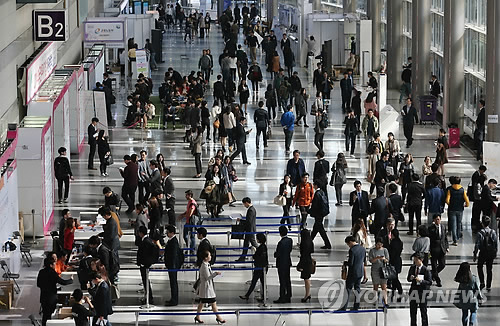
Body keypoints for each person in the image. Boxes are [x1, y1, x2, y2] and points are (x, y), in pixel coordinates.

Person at [37, 257, 74, 326]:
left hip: (43, 297)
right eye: (54, 264)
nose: (55, 265)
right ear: (50, 265)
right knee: (51, 315)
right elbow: (62, 282)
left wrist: (45, 287)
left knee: (45, 315)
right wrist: (71, 280)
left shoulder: (41, 272)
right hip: (51, 297)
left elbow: (38, 284)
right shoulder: (52, 272)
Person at [195, 251, 226, 324]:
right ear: (206, 257)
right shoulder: (204, 266)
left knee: (202, 303)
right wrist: (215, 274)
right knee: (213, 303)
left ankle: (197, 316)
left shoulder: (206, 264)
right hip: (206, 288)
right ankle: (219, 318)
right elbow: (208, 277)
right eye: (209, 255)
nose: (211, 256)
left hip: (206, 288)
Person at [338, 236, 366, 311]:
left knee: (348, 289)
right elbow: (364, 261)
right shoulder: (363, 249)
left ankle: (344, 307)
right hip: (360, 272)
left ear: (350, 242)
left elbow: (351, 263)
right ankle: (356, 306)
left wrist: (345, 263)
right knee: (357, 289)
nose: (348, 246)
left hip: (352, 272)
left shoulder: (352, 250)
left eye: (348, 244)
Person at [239, 232, 268, 301]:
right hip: (264, 267)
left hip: (259, 267)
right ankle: (264, 296)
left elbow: (256, 256)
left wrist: (255, 251)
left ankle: (247, 295)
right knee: (262, 282)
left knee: (254, 281)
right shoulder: (264, 247)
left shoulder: (260, 248)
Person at [454, 262, 483, 326]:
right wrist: (480, 298)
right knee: (473, 311)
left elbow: (459, 290)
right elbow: (477, 289)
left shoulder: (460, 278)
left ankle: (464, 324)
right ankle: (471, 323)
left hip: (463, 298)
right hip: (472, 297)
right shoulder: (473, 278)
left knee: (464, 313)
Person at [473, 217, 498, 291]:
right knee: (489, 269)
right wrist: (495, 252)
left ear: (482, 223)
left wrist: (475, 254)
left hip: (483, 252)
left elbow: (477, 244)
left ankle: (482, 282)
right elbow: (496, 243)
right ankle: (489, 285)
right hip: (490, 252)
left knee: (480, 266)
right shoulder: (493, 232)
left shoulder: (480, 233)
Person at [407, 253, 432, 326]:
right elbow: (408, 278)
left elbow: (429, 282)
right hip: (413, 292)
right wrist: (410, 278)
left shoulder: (426, 270)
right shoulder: (412, 268)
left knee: (423, 311)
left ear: (421, 260)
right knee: (413, 312)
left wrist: (421, 281)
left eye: (416, 260)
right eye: (414, 260)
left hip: (422, 293)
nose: (415, 261)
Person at [136, 225, 158, 305]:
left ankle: (149, 298)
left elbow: (146, 253)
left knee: (146, 281)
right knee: (145, 281)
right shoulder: (146, 240)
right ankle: (148, 296)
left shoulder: (146, 241)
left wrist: (145, 262)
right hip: (144, 264)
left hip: (144, 265)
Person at [446, 176, 470, 245]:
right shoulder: (462, 190)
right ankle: (458, 236)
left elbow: (447, 200)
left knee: (453, 224)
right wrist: (466, 205)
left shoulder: (450, 189)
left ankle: (455, 240)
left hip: (452, 209)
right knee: (459, 223)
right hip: (460, 209)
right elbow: (467, 201)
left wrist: (450, 204)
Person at [428, 214, 449, 287]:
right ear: (433, 220)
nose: (438, 221)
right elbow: (429, 239)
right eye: (436, 219)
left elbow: (445, 237)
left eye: (439, 219)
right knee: (434, 265)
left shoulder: (443, 227)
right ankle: (437, 280)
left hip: (441, 249)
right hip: (433, 249)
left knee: (442, 264)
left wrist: (447, 246)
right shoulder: (430, 228)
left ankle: (432, 273)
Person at [309, 182, 332, 249]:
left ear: (316, 185)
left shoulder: (317, 194)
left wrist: (309, 211)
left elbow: (315, 206)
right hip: (322, 213)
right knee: (316, 229)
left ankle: (327, 244)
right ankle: (309, 242)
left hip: (318, 214)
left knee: (320, 229)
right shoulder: (322, 192)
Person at [274, 226, 293, 303]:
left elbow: (277, 254)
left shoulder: (280, 243)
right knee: (287, 279)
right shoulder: (290, 240)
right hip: (287, 262)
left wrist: (275, 254)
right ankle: (288, 295)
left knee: (282, 281)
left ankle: (282, 296)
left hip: (281, 263)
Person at [369, 238, 390, 306]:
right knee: (376, 286)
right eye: (378, 244)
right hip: (375, 270)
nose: (379, 246)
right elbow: (371, 261)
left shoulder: (385, 250)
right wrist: (377, 258)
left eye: (381, 244)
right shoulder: (372, 251)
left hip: (383, 270)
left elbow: (387, 259)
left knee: (384, 286)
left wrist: (384, 259)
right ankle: (375, 300)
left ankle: (385, 301)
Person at [236, 197, 258, 261]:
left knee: (253, 243)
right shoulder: (252, 209)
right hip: (250, 229)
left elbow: (249, 221)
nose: (244, 205)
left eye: (244, 204)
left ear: (246, 203)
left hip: (250, 230)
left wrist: (241, 220)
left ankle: (261, 253)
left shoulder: (251, 210)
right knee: (246, 243)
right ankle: (243, 257)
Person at [164, 224, 181, 306]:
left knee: (173, 283)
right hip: (171, 266)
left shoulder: (173, 242)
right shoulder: (171, 241)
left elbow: (174, 255)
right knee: (172, 283)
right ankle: (173, 298)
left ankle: (174, 300)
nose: (167, 233)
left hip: (172, 266)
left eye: (168, 232)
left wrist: (172, 266)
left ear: (172, 233)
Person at [352, 219, 372, 284]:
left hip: (359, 250)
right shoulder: (364, 231)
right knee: (363, 263)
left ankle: (364, 277)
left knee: (360, 263)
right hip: (363, 249)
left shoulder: (357, 233)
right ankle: (365, 277)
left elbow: (357, 242)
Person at [296, 229, 314, 302]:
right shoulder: (310, 242)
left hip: (305, 262)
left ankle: (307, 295)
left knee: (306, 278)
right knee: (307, 278)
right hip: (308, 260)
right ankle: (308, 293)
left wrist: (299, 265)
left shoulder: (304, 243)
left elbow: (303, 256)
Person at [387, 229, 404, 300]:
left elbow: (392, 253)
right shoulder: (400, 242)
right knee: (394, 276)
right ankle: (394, 289)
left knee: (395, 277)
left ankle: (400, 290)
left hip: (394, 261)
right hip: (398, 260)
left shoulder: (393, 243)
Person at [470, 165, 487, 232]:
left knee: (475, 212)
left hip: (476, 198)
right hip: (477, 199)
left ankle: (475, 223)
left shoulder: (478, 175)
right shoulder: (476, 176)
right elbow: (475, 187)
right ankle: (475, 224)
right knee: (476, 212)